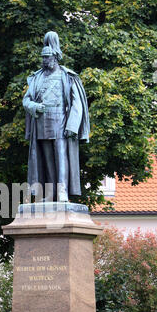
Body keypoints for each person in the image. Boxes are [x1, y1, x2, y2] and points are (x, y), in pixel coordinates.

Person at [23, 31, 90, 202]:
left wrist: (72, 126)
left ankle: (62, 191)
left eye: (47, 57)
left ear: (55, 56)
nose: (44, 60)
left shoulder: (67, 76)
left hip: (60, 120)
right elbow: (26, 100)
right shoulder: (37, 78)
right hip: (41, 123)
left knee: (61, 157)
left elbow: (77, 104)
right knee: (47, 159)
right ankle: (51, 192)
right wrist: (35, 106)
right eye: (43, 57)